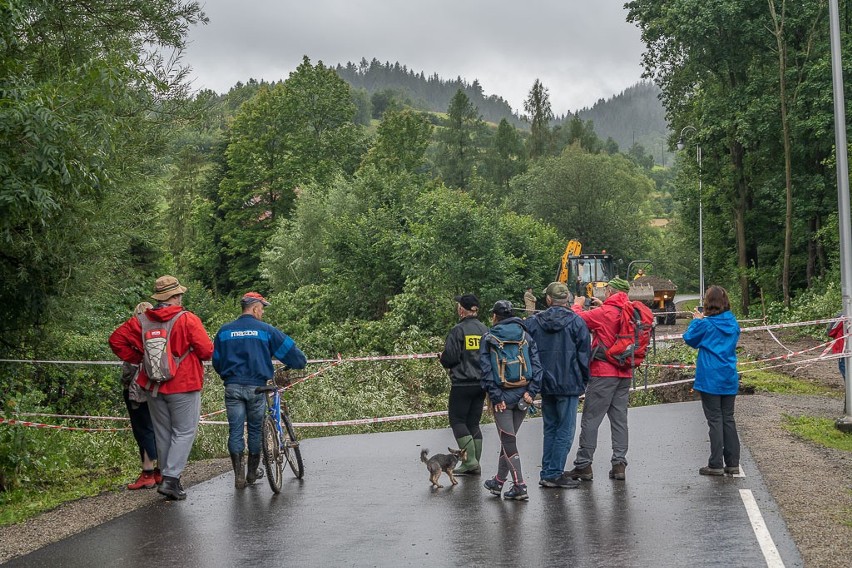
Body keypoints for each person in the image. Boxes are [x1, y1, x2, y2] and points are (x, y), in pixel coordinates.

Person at [109, 275, 214, 501]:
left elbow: (115, 340)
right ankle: (171, 479)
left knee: (163, 433)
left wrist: (140, 358)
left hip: (153, 386)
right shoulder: (187, 319)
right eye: (179, 295)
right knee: (185, 431)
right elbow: (206, 351)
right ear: (175, 297)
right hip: (184, 384)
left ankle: (168, 477)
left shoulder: (142, 320)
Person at [213, 292, 307, 489]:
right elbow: (290, 351)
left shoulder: (224, 331)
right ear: (255, 308)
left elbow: (217, 361)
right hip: (257, 386)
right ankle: (252, 472)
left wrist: (228, 376)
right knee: (255, 430)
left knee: (235, 431)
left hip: (232, 387)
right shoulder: (265, 330)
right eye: (262, 309)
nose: (262, 312)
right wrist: (299, 363)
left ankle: (238, 475)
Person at [566, 276, 634, 482]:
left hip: (603, 373)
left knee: (591, 420)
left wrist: (577, 306)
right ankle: (619, 464)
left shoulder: (604, 313)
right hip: (625, 372)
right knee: (620, 420)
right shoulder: (630, 311)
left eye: (606, 291)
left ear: (611, 292)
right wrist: (602, 306)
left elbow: (577, 321)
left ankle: (584, 465)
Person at [526, 282, 590, 489]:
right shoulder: (577, 322)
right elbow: (584, 355)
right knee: (565, 429)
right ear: (567, 300)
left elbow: (527, 351)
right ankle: (554, 473)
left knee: (550, 427)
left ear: (548, 300)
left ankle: (548, 471)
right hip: (569, 383)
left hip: (544, 382)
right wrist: (584, 380)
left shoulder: (534, 322)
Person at [480, 300, 542, 500]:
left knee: (508, 440)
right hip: (523, 396)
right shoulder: (526, 336)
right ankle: (498, 481)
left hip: (502, 398)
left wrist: (496, 396)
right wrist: (531, 392)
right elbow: (537, 367)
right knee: (508, 440)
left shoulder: (489, 338)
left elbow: (486, 371)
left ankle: (520, 485)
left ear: (495, 316)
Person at [683, 286, 741, 476]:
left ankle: (715, 463)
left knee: (715, 420)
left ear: (708, 303)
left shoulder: (706, 325)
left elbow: (689, 339)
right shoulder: (733, 323)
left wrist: (696, 321)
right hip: (728, 375)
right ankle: (732, 463)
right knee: (728, 419)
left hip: (710, 377)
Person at [439, 294, 489, 476]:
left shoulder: (457, 331)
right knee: (473, 423)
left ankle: (469, 462)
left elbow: (450, 358)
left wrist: (442, 357)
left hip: (462, 383)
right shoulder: (485, 329)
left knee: (458, 421)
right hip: (481, 383)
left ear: (461, 309)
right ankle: (475, 462)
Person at [121, 301, 161, 490]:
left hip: (138, 391)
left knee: (143, 430)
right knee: (159, 429)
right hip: (158, 388)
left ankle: (148, 472)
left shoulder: (133, 336)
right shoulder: (159, 334)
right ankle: (161, 470)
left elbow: (128, 370)